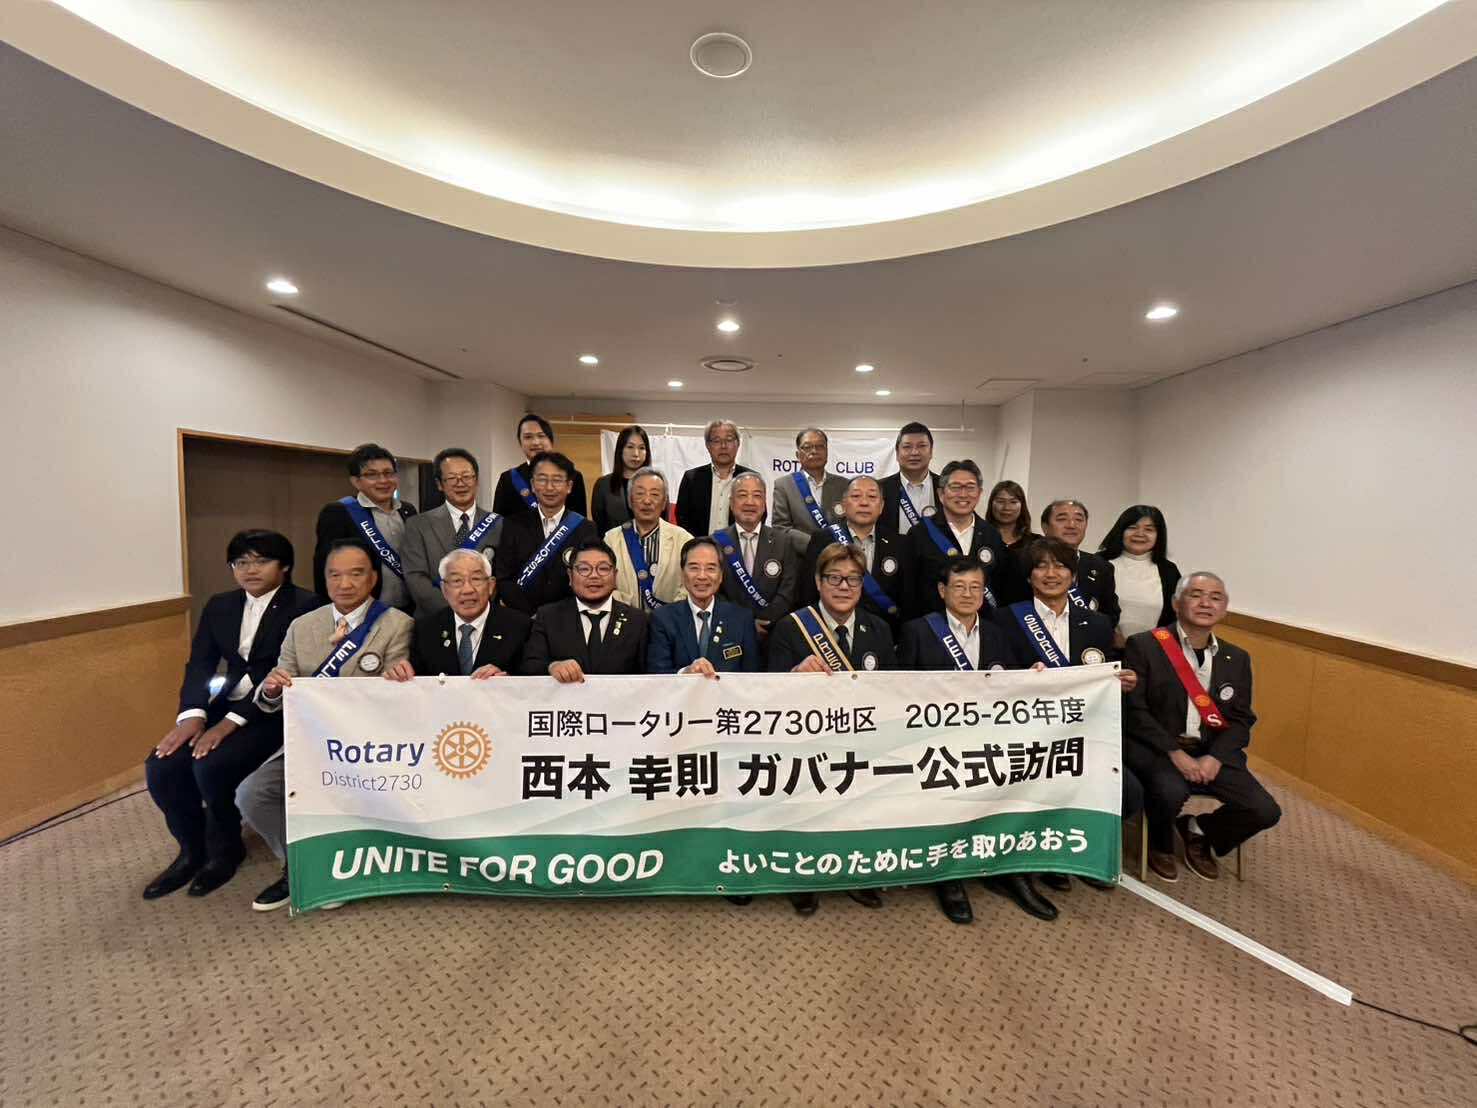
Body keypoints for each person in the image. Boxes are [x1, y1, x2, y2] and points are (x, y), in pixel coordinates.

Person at [235, 539, 414, 912]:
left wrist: (398, 679)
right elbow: (273, 693)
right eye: (335, 575)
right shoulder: (302, 627)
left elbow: (399, 699)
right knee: (252, 794)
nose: (344, 584)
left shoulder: (398, 624)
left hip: (371, 748)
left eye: (356, 574)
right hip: (312, 746)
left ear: (373, 578)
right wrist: (271, 688)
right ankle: (299, 865)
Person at [142, 530, 319, 900]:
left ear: (285, 566)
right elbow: (200, 663)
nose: (250, 570)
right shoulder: (220, 605)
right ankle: (191, 850)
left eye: (261, 561)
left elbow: (283, 671)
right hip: (226, 701)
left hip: (273, 710)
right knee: (162, 765)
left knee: (211, 766)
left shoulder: (306, 606)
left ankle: (225, 851)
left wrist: (228, 724)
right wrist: (192, 716)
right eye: (241, 562)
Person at [991, 537, 1142, 919]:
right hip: (1023, 734)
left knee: (1129, 792)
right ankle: (1024, 867)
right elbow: (992, 677)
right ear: (1029, 576)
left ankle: (1064, 852)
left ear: (1073, 577)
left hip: (1081, 736)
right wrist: (1021, 678)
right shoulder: (1007, 618)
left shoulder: (1098, 624)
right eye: (1041, 566)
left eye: (1059, 566)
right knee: (1034, 786)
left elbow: (1103, 675)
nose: (1051, 573)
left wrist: (1121, 681)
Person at [1123, 572, 1280, 882]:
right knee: (1170, 790)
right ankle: (1159, 843)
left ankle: (1200, 830)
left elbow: (1241, 719)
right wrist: (1174, 753)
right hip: (1158, 748)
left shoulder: (1237, 658)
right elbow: (1135, 712)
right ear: (1176, 603)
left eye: (1215, 597)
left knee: (1265, 811)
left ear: (1225, 608)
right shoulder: (1144, 645)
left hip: (1211, 751)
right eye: (1195, 595)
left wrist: (1215, 757)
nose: (1206, 603)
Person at [768, 542, 897, 916]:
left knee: (858, 808)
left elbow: (894, 690)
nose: (844, 586)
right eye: (834, 578)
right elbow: (766, 693)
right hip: (805, 744)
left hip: (861, 742)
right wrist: (794, 674)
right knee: (805, 810)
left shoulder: (879, 629)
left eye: (853, 579)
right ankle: (803, 877)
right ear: (818, 582)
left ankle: (854, 873)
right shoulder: (791, 628)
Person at [898, 556, 1014, 925]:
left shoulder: (998, 634)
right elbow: (898, 692)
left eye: (975, 587)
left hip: (987, 741)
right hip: (932, 744)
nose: (967, 594)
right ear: (942, 590)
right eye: (959, 586)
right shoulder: (918, 631)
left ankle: (1007, 869)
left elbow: (1013, 688)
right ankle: (948, 876)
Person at [384, 549, 531, 681]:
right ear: (444, 590)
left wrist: (507, 682)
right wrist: (401, 675)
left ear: (491, 586)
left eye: (476, 579)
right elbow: (418, 683)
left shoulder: (520, 627)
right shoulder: (426, 630)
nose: (467, 590)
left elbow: (532, 683)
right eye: (456, 581)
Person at [521, 540, 650, 679]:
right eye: (584, 569)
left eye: (603, 568)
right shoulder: (548, 617)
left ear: (615, 575)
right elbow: (529, 665)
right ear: (570, 576)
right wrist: (552, 666)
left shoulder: (638, 621)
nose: (594, 575)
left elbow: (651, 676)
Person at [312, 443, 417, 612]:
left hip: (408, 608)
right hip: (362, 610)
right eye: (372, 475)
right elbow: (324, 567)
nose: (383, 481)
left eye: (388, 473)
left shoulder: (408, 510)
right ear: (356, 481)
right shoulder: (339, 512)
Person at [493, 451, 598, 615]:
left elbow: (588, 577)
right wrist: (529, 614)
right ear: (532, 485)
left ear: (569, 486)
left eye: (557, 480)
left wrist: (556, 616)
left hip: (569, 618)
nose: (549, 487)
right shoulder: (512, 525)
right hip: (522, 618)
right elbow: (503, 577)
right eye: (542, 479)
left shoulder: (585, 528)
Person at [905, 459, 1013, 617]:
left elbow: (1002, 585)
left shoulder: (991, 535)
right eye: (955, 487)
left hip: (982, 625)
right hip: (932, 626)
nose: (963, 494)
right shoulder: (920, 534)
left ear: (979, 493)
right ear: (941, 494)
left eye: (970, 487)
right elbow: (908, 589)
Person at [801, 476, 911, 632]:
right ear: (844, 504)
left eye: (872, 496)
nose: (864, 502)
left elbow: (908, 599)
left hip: (885, 634)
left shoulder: (900, 544)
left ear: (881, 506)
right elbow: (808, 593)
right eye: (856, 496)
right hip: (832, 632)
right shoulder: (823, 539)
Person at [402, 447, 501, 615]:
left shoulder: (498, 524)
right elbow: (416, 578)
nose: (460, 483)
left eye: (466, 476)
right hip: (434, 618)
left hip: (486, 618)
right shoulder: (417, 525)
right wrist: (456, 613)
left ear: (476, 480)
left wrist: (480, 612)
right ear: (439, 484)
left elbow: (502, 576)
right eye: (452, 478)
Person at [646, 537, 761, 675]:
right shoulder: (663, 619)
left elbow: (752, 677)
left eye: (710, 568)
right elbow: (656, 674)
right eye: (694, 568)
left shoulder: (742, 619)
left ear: (721, 576)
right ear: (682, 574)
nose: (702, 576)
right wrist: (686, 672)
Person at [715, 473, 799, 639]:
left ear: (764, 503)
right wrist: (744, 622)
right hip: (729, 630)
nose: (750, 502)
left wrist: (766, 620)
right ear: (731, 503)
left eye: (757, 496)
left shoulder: (783, 541)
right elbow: (715, 591)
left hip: (773, 633)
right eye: (742, 495)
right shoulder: (716, 542)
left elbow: (788, 590)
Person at [605, 468, 693, 610]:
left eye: (655, 494)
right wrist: (631, 614)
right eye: (640, 493)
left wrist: (670, 616)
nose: (647, 501)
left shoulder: (683, 539)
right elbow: (606, 584)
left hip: (671, 620)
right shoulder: (611, 539)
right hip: (625, 619)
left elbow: (689, 586)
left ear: (664, 503)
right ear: (630, 501)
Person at [1099, 505, 1180, 641]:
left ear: (1159, 535)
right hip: (1103, 647)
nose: (1140, 534)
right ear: (1121, 530)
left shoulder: (1169, 570)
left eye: (1149, 529)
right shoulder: (1097, 563)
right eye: (1132, 527)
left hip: (1153, 649)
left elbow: (1175, 617)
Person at [1040, 498, 1120, 631]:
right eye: (1062, 519)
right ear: (1045, 527)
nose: (1072, 525)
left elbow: (1110, 614)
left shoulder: (1101, 566)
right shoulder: (1027, 560)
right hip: (1037, 637)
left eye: (1079, 520)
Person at [492, 413, 589, 519]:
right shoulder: (508, 479)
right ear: (520, 442)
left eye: (541, 436)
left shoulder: (573, 476)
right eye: (528, 437)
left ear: (551, 440)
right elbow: (499, 522)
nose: (536, 442)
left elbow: (579, 521)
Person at [769, 427, 849, 556]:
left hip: (838, 559)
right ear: (797, 455)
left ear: (827, 452)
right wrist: (814, 544)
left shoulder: (844, 485)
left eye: (820, 446)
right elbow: (780, 528)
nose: (814, 451)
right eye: (807, 447)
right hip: (800, 558)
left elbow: (851, 523)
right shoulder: (784, 485)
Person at [675, 419, 756, 536]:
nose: (723, 446)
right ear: (708, 446)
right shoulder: (691, 478)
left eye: (729, 440)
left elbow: (759, 516)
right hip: (699, 544)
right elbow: (682, 517)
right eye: (717, 441)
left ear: (738, 444)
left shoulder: (751, 478)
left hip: (739, 546)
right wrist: (697, 544)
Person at [878, 422, 939, 536]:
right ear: (897, 453)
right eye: (907, 447)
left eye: (921, 446)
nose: (914, 452)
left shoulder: (945, 487)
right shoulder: (880, 489)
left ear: (931, 452)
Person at [590, 425, 651, 534]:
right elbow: (599, 526)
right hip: (612, 543)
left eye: (642, 448)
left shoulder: (656, 484)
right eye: (630, 447)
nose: (636, 454)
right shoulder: (604, 485)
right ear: (620, 450)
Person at [984, 479, 1036, 554]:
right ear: (991, 504)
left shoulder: (1035, 543)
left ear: (1022, 506)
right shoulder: (978, 538)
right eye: (1000, 501)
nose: (1006, 507)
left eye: (1013, 502)